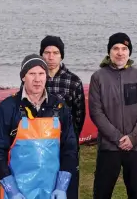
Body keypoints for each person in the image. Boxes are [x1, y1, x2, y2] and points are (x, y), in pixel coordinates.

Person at [0, 54, 78, 199]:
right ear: (23, 77)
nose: (37, 79)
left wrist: (62, 186)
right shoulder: (6, 108)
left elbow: (70, 148)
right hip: (19, 190)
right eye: (32, 74)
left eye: (41, 73)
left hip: (52, 190)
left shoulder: (60, 107)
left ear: (46, 76)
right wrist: (12, 191)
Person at [89, 33, 137, 199]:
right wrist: (118, 138)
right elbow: (96, 112)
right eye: (116, 48)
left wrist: (132, 137)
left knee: (136, 193)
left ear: (129, 52)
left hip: (135, 146)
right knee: (102, 193)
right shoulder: (98, 77)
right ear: (109, 52)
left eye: (124, 49)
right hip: (109, 147)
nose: (120, 52)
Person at [40, 35, 84, 199]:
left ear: (61, 55)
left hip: (65, 143)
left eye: (55, 52)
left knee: (67, 187)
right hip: (39, 143)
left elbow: (79, 116)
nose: (51, 57)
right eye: (47, 52)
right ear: (41, 54)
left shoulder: (73, 81)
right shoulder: (34, 78)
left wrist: (70, 139)